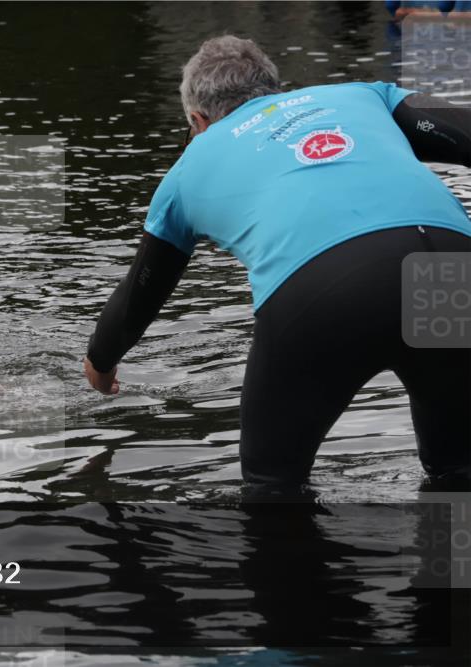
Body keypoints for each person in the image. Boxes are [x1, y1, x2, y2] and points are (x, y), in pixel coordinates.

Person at [84, 36, 471, 486]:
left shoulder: (189, 167)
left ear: (197, 119)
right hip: (449, 265)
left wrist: (101, 362)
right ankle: (451, 552)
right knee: (458, 470)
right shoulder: (363, 95)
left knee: (274, 487)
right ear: (278, 88)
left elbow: (140, 295)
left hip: (326, 288)